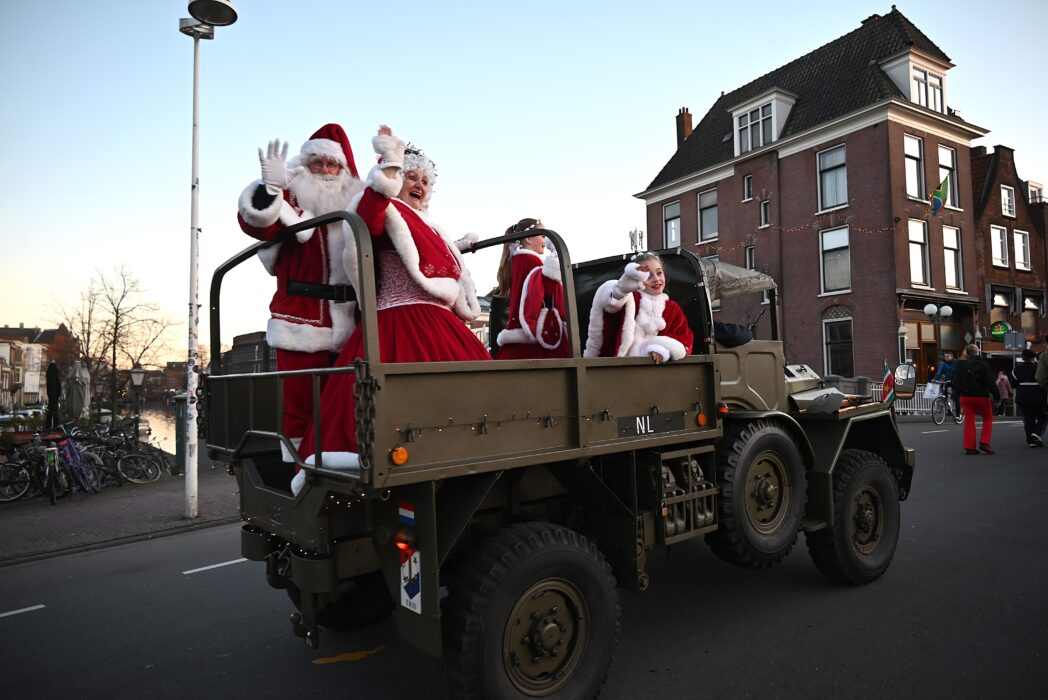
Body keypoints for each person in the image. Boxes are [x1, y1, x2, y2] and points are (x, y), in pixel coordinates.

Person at [295, 126, 490, 493]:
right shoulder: (387, 210)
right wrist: (390, 162)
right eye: (411, 177)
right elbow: (367, 218)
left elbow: (431, 264)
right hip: (400, 323)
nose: (420, 185)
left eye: (425, 180)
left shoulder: (429, 224)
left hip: (440, 323)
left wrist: (460, 244)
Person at [237, 123, 363, 462]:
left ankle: (343, 470)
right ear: (304, 167)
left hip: (352, 323)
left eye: (331, 164)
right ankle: (300, 474)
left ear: (343, 168)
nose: (324, 171)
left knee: (349, 406)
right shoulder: (291, 197)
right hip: (301, 321)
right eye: (316, 164)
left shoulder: (355, 202)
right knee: (301, 412)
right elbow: (256, 224)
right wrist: (269, 188)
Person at [583, 252, 694, 363]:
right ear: (637, 278)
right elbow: (610, 307)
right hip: (620, 369)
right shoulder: (630, 298)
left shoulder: (672, 308)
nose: (656, 279)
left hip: (656, 372)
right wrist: (620, 291)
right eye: (649, 275)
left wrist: (661, 349)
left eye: (659, 273)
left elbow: (684, 338)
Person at [494, 219, 570, 359]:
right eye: (542, 236)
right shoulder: (532, 261)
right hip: (532, 340)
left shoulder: (515, 262)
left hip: (515, 335)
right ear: (528, 238)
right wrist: (555, 252)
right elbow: (550, 290)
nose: (545, 241)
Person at [952, 344, 999, 455]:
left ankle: (969, 447)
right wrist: (997, 396)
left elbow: (955, 380)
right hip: (981, 396)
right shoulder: (982, 364)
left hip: (965, 397)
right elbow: (989, 382)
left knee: (969, 420)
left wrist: (957, 395)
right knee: (987, 418)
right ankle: (985, 442)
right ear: (977, 352)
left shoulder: (959, 364)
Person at [1011, 348, 1046, 447]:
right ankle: (1036, 434)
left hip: (1022, 396)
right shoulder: (1038, 368)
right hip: (1038, 395)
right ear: (1034, 358)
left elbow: (1014, 384)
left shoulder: (1016, 369)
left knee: (1028, 418)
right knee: (1043, 416)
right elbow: (1043, 379)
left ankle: (1031, 441)